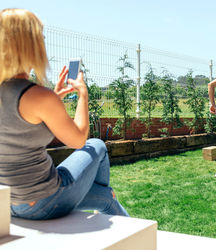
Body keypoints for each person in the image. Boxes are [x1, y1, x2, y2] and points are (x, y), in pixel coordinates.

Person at [0, 8, 129, 220]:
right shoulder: (38, 96)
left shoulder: (29, 96)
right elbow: (78, 140)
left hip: (7, 204)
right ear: (29, 45)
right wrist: (83, 95)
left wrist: (55, 97)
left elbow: (17, 121)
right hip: (41, 202)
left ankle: (107, 199)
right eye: (40, 38)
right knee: (96, 145)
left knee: (106, 198)